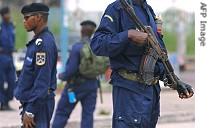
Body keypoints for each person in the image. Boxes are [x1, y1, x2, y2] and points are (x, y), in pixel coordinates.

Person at [91, 0, 193, 128]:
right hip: (129, 92)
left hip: (151, 94)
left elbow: (158, 53)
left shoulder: (148, 10)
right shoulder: (117, 8)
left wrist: (176, 81)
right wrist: (128, 35)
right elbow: (98, 44)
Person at [14, 3, 58, 128]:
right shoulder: (37, 41)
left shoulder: (43, 44)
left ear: (38, 17)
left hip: (39, 105)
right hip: (33, 101)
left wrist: (31, 111)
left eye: (27, 17)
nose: (24, 21)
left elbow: (42, 80)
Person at [52, 20, 98, 128]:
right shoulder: (96, 47)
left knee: (62, 112)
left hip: (75, 86)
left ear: (82, 31)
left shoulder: (77, 47)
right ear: (92, 32)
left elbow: (71, 70)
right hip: (92, 85)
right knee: (88, 115)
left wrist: (61, 76)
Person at [0, 6, 16, 110]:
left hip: (10, 56)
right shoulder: (0, 27)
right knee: (1, 81)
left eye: (9, 13)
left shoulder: (11, 26)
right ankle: (3, 103)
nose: (9, 16)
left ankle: (7, 101)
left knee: (12, 80)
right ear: (2, 16)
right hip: (1, 57)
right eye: (7, 14)